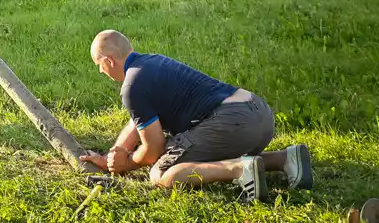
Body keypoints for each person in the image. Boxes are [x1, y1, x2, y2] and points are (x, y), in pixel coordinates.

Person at [79, 30, 313, 203]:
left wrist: (128, 163)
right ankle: (284, 158)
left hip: (233, 123)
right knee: (186, 152)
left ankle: (239, 169)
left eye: (98, 65)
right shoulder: (152, 63)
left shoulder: (131, 87)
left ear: (109, 61)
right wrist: (113, 154)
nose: (101, 71)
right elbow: (138, 120)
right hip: (259, 114)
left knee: (161, 173)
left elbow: (152, 150)